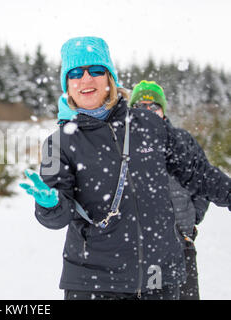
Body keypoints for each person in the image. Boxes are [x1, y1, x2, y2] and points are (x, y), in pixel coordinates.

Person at [20, 36, 231, 300]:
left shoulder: (150, 126)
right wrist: (49, 205)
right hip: (94, 283)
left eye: (96, 71)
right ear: (68, 85)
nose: (86, 80)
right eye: (75, 73)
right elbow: (57, 217)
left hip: (160, 279)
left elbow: (198, 173)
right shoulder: (57, 143)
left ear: (110, 78)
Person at [129, 80, 210, 300]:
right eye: (141, 106)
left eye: (153, 106)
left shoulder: (183, 141)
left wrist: (191, 219)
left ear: (163, 110)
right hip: (138, 248)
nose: (148, 111)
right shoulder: (124, 145)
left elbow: (203, 181)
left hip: (181, 242)